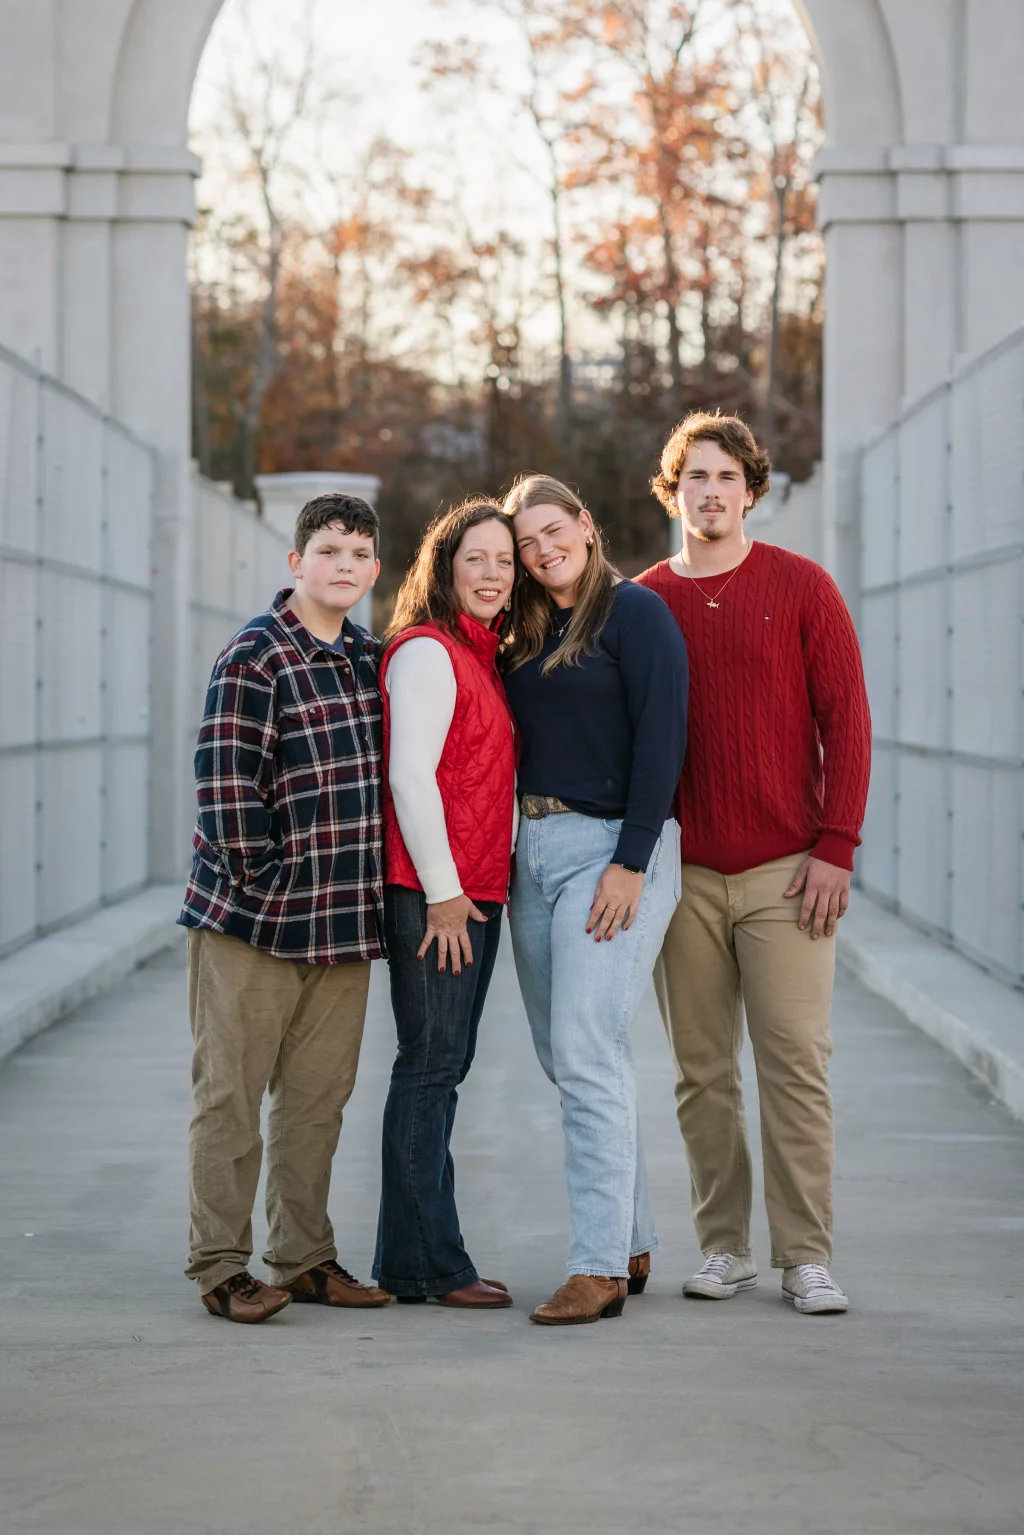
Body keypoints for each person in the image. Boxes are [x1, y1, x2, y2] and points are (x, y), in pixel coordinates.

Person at [636, 412, 872, 1315]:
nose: (709, 491)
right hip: (683, 876)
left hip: (788, 873)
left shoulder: (804, 587)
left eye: (725, 475)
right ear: (673, 491)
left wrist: (835, 849)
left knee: (795, 1061)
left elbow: (845, 724)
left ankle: (805, 1255)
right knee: (701, 1070)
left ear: (751, 488)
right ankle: (725, 1246)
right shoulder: (645, 601)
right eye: (692, 476)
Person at [179, 493, 390, 1323]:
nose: (345, 564)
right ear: (295, 561)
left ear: (374, 569)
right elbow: (226, 793)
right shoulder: (254, 658)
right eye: (329, 549)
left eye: (361, 552)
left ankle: (304, 1257)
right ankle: (221, 1265)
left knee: (314, 1103)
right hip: (252, 926)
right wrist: (270, 886)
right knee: (230, 1097)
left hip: (341, 930)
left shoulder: (371, 661)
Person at [502, 475, 688, 1326]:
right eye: (526, 543)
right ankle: (635, 1234)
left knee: (585, 1045)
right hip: (531, 852)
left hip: (613, 850)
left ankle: (598, 1265)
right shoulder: (525, 626)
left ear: (585, 522)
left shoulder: (636, 612)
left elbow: (663, 737)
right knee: (566, 1051)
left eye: (553, 530)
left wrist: (632, 859)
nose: (543, 551)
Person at [371, 498, 518, 1309]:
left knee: (440, 1067)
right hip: (440, 895)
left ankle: (414, 1257)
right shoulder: (428, 652)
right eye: (477, 559)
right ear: (444, 567)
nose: (493, 573)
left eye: (505, 561)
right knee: (429, 1067)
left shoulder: (480, 656)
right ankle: (431, 1263)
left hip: (470, 891)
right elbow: (409, 776)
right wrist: (444, 894)